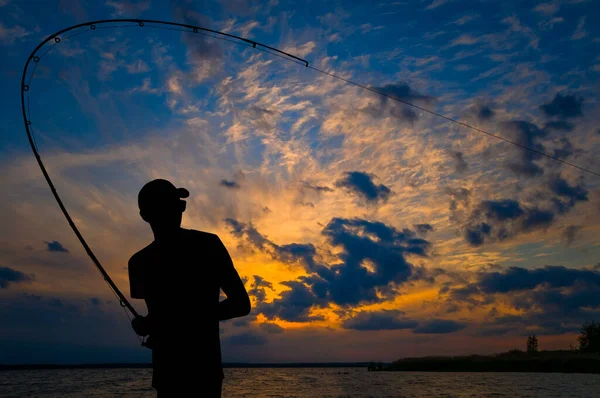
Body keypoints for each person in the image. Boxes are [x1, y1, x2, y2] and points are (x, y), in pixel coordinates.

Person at [128, 178, 251, 397]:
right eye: (173, 205)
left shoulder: (141, 261)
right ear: (146, 216)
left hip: (200, 374)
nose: (179, 210)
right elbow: (158, 314)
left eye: (179, 205)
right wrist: (150, 323)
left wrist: (158, 322)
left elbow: (242, 304)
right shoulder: (139, 262)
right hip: (174, 375)